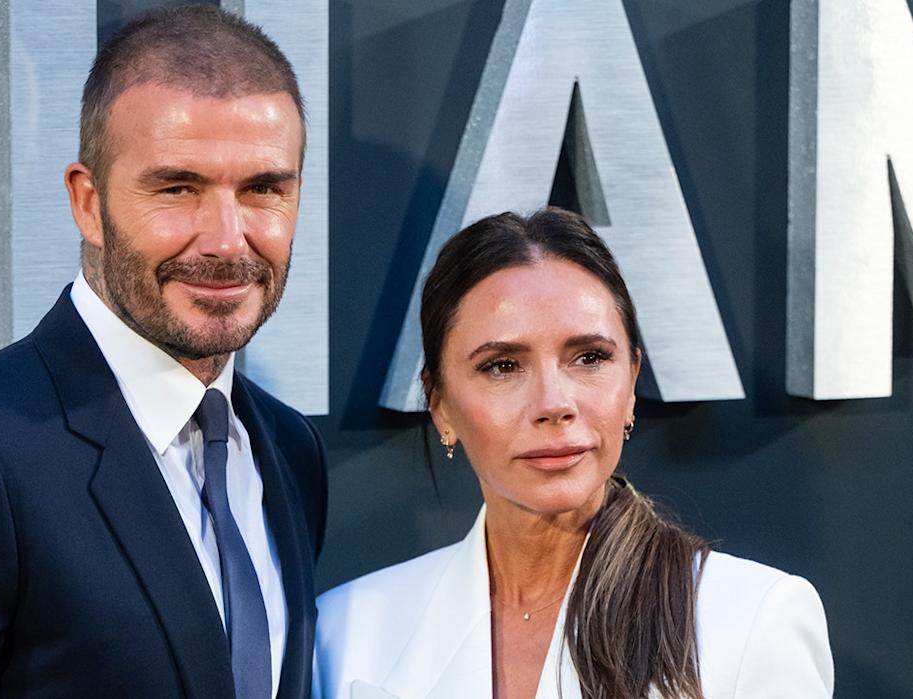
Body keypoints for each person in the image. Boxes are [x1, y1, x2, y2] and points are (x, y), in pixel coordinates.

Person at [0, 6, 326, 698]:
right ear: (87, 201)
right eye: (176, 188)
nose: (227, 240)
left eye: (262, 189)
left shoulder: (289, 450)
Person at [313, 207, 832, 699]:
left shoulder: (752, 621)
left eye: (589, 357)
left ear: (630, 383)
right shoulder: (347, 629)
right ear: (441, 405)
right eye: (502, 366)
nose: (554, 404)